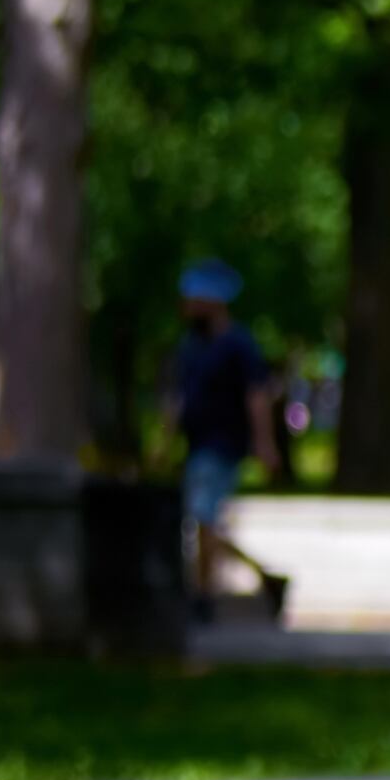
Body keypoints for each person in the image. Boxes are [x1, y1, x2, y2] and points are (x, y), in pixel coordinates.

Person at [167, 261, 292, 620]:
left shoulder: (238, 344)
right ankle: (265, 578)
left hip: (222, 446)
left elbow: (256, 396)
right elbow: (180, 400)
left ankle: (202, 597)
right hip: (197, 444)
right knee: (202, 521)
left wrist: (264, 443)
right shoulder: (191, 345)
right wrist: (165, 443)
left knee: (202, 517)